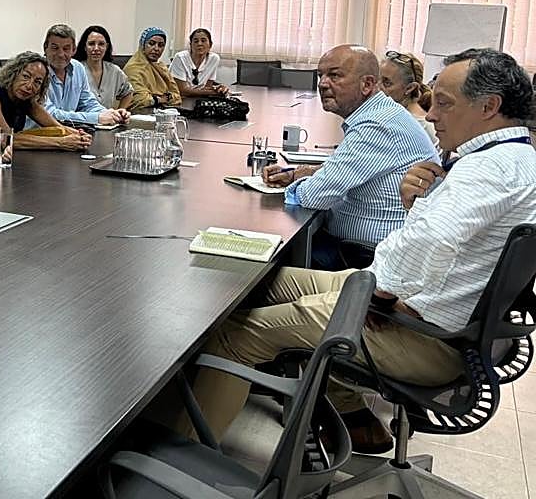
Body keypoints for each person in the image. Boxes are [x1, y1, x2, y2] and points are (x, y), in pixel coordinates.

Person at [181, 48, 536, 451]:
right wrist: (415, 204)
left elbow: (424, 250)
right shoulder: (516, 158)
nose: (431, 114)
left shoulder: (486, 171)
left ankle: (183, 452)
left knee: (233, 333)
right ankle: (340, 408)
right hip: (427, 312)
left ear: (489, 107)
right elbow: (432, 243)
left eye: (443, 103)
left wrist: (382, 294)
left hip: (421, 332)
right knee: (266, 277)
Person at [261, 45, 437, 270]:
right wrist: (300, 173)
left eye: (334, 75)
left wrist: (301, 183)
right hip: (378, 246)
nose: (323, 83)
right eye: (320, 75)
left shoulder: (376, 126)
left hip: (366, 256)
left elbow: (313, 196)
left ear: (367, 84)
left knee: (270, 261)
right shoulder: (383, 113)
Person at [0, 52, 93, 152]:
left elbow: (56, 127)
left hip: (8, 160)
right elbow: (8, 139)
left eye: (37, 82)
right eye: (26, 76)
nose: (29, 86)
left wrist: (78, 135)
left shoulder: (25, 99)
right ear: (13, 74)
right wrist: (61, 143)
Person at [39, 24, 129, 126]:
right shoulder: (38, 72)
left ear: (74, 50)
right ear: (45, 48)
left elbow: (87, 102)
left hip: (68, 132)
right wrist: (97, 118)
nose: (60, 54)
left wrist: (111, 114)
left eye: (66, 48)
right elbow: (49, 114)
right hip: (39, 134)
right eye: (55, 48)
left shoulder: (78, 68)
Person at [378, 49, 438, 146]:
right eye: (377, 80)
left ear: (410, 88)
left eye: (387, 83)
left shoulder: (425, 128)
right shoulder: (387, 115)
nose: (378, 88)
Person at [73, 24, 135, 111]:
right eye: (91, 44)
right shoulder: (75, 70)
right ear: (84, 47)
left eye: (101, 44)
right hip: (83, 121)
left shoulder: (114, 71)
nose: (96, 48)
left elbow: (128, 92)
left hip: (108, 122)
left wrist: (120, 111)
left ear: (107, 46)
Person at [123, 27, 183, 109]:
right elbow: (139, 99)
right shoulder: (133, 68)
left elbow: (177, 97)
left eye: (161, 45)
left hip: (162, 112)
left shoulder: (161, 67)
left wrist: (160, 98)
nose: (156, 48)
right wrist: (161, 99)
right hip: (137, 115)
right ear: (143, 45)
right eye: (151, 43)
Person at [170, 28, 230, 98]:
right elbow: (182, 90)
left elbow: (207, 88)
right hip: (178, 98)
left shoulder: (214, 59)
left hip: (197, 98)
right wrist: (214, 92)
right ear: (190, 45)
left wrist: (219, 89)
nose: (199, 44)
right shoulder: (180, 57)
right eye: (195, 41)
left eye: (203, 41)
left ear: (210, 45)